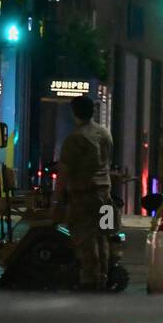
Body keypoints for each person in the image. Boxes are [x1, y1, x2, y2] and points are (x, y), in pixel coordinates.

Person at [58, 95, 114, 291]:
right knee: (103, 236)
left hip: (84, 196)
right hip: (105, 196)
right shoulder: (105, 134)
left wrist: (58, 201)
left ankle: (89, 280)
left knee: (85, 237)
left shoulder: (75, 138)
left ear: (74, 112)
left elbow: (64, 172)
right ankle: (104, 276)